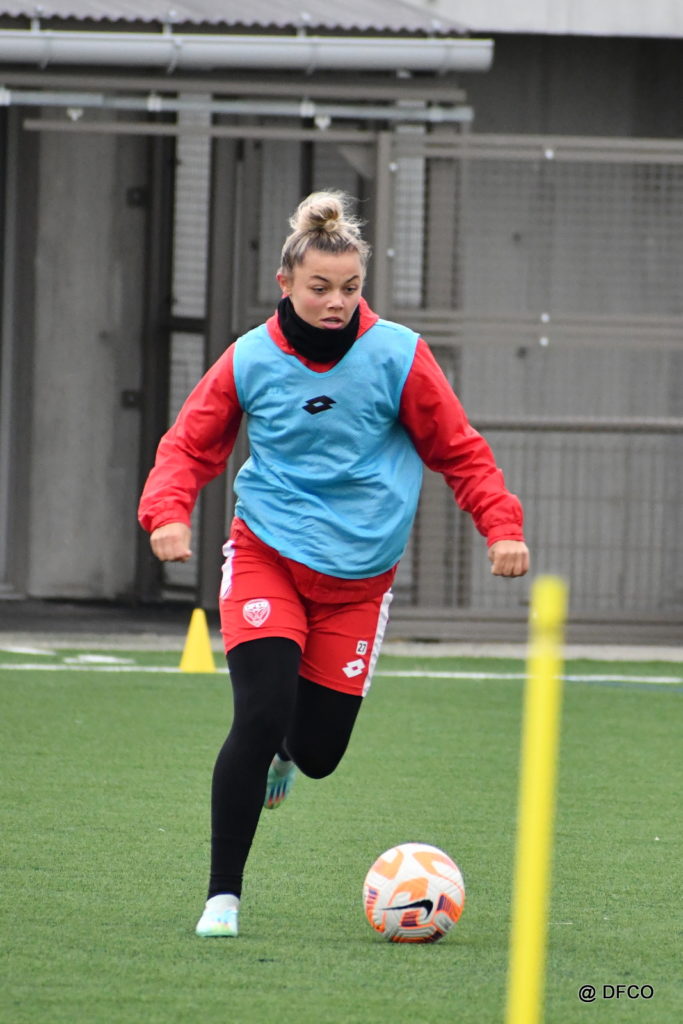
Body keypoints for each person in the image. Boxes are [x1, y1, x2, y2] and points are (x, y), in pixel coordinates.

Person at [138, 190, 529, 939]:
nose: (336, 302)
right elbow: (188, 444)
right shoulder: (250, 358)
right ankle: (223, 899)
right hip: (269, 556)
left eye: (349, 288)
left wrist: (500, 527)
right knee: (258, 712)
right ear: (286, 283)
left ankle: (289, 751)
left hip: (358, 585)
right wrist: (168, 512)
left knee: (316, 753)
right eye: (319, 287)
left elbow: (460, 451)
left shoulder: (398, 355)